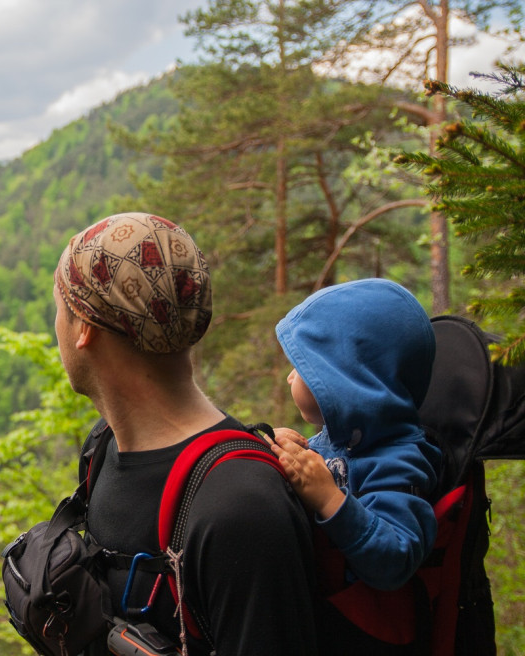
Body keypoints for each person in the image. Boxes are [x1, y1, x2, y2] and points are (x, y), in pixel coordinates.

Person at [53, 212, 318, 656]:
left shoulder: (243, 508)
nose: (56, 327)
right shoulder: (104, 445)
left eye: (59, 311)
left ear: (83, 328)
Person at [270, 278, 442, 652]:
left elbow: (396, 559)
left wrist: (331, 499)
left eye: (302, 366)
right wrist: (276, 447)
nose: (290, 376)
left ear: (348, 379)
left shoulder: (400, 461)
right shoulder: (336, 440)